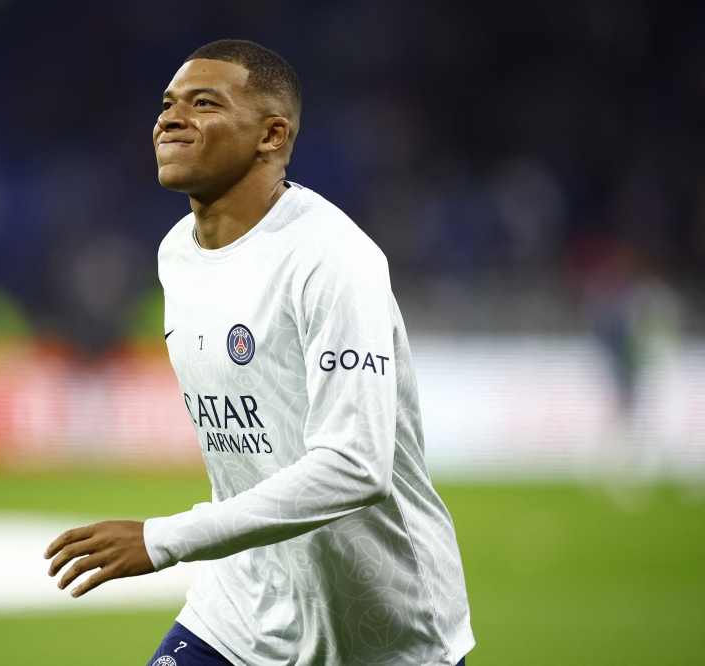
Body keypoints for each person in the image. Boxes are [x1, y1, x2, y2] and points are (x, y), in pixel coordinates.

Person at [45, 39, 474, 666]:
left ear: (271, 135)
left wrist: (165, 539)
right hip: (240, 611)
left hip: (381, 632)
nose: (170, 119)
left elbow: (356, 465)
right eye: (166, 104)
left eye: (203, 104)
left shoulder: (333, 259)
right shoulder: (176, 254)